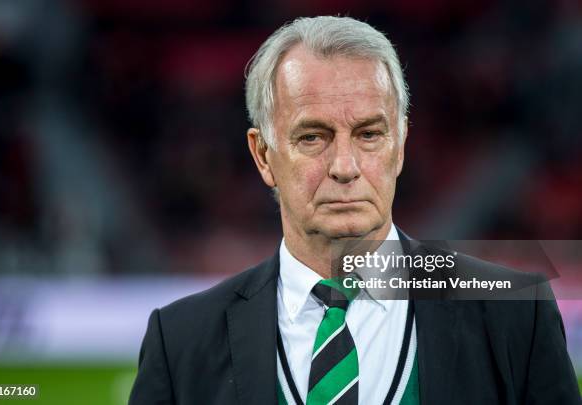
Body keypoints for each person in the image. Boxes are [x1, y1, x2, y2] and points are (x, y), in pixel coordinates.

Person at [129, 16, 580, 404]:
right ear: (262, 154)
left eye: (368, 134)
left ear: (400, 144)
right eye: (312, 137)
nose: (345, 167)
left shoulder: (516, 312)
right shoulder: (181, 341)